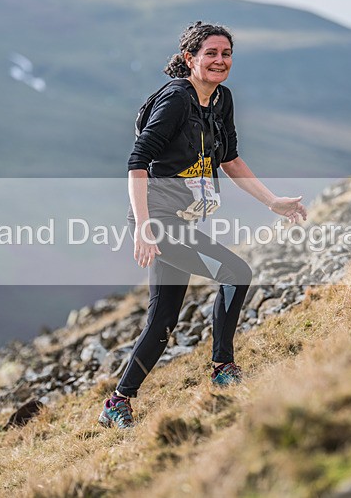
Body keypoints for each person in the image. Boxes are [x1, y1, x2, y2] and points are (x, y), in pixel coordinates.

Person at [99, 22, 307, 429]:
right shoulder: (176, 100)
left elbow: (228, 159)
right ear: (190, 58)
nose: (219, 61)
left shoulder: (221, 100)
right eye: (210, 53)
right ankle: (222, 367)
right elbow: (137, 163)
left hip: (182, 222)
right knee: (236, 273)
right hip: (159, 222)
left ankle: (117, 403)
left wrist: (272, 201)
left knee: (162, 322)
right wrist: (143, 228)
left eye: (226, 54)